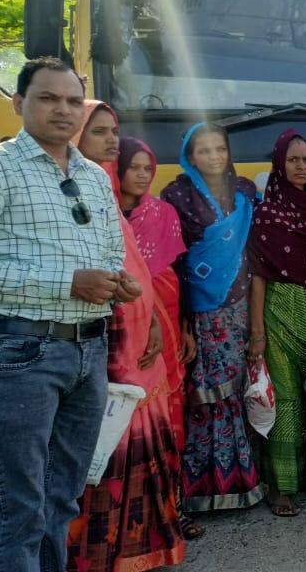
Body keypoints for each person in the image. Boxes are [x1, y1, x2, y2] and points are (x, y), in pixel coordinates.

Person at [0, 58, 130, 571]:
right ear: (19, 104)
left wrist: (116, 283)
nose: (63, 109)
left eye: (71, 100)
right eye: (47, 98)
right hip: (21, 353)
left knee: (61, 501)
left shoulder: (95, 177)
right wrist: (67, 283)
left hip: (89, 350)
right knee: (20, 509)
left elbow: (110, 254)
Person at [66, 102, 182, 571]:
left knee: (143, 441)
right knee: (106, 445)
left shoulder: (104, 192)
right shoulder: (69, 194)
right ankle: (97, 553)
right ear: (75, 137)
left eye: (114, 131)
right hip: (105, 338)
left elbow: (131, 265)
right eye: (98, 133)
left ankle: (140, 548)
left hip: (139, 336)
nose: (112, 140)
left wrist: (152, 315)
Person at [161, 123, 264, 510]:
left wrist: (256, 324)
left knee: (236, 393)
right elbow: (174, 261)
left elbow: (253, 254)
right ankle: (202, 486)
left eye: (219, 149)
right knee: (205, 397)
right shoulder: (176, 195)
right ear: (190, 156)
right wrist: (183, 319)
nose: (213, 157)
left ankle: (241, 478)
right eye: (203, 151)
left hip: (238, 307)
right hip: (199, 311)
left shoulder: (245, 192)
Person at [117, 137, 201, 539]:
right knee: (126, 422)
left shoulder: (164, 213)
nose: (142, 174)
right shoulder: (104, 214)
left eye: (147, 167)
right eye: (133, 166)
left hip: (166, 326)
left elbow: (180, 274)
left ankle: (174, 510)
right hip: (121, 334)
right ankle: (129, 519)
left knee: (169, 418)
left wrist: (185, 327)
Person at [249, 130, 306, 517]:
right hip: (279, 313)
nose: (301, 167)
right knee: (286, 401)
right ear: (279, 166)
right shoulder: (267, 214)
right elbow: (259, 275)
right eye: (294, 160)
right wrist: (257, 333)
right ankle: (280, 486)